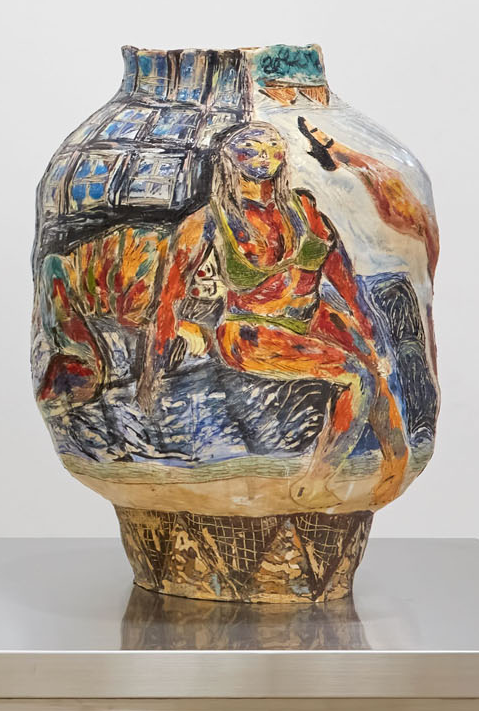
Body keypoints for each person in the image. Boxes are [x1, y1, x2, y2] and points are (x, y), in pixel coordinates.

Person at [146, 124, 408, 506]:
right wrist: (176, 335)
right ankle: (313, 483)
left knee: (373, 369)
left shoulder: (305, 208)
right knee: (356, 377)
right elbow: (170, 292)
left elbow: (345, 280)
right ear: (229, 159)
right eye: (250, 148)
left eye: (272, 146)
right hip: (251, 331)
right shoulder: (209, 220)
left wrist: (369, 332)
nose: (263, 154)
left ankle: (397, 462)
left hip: (313, 316)